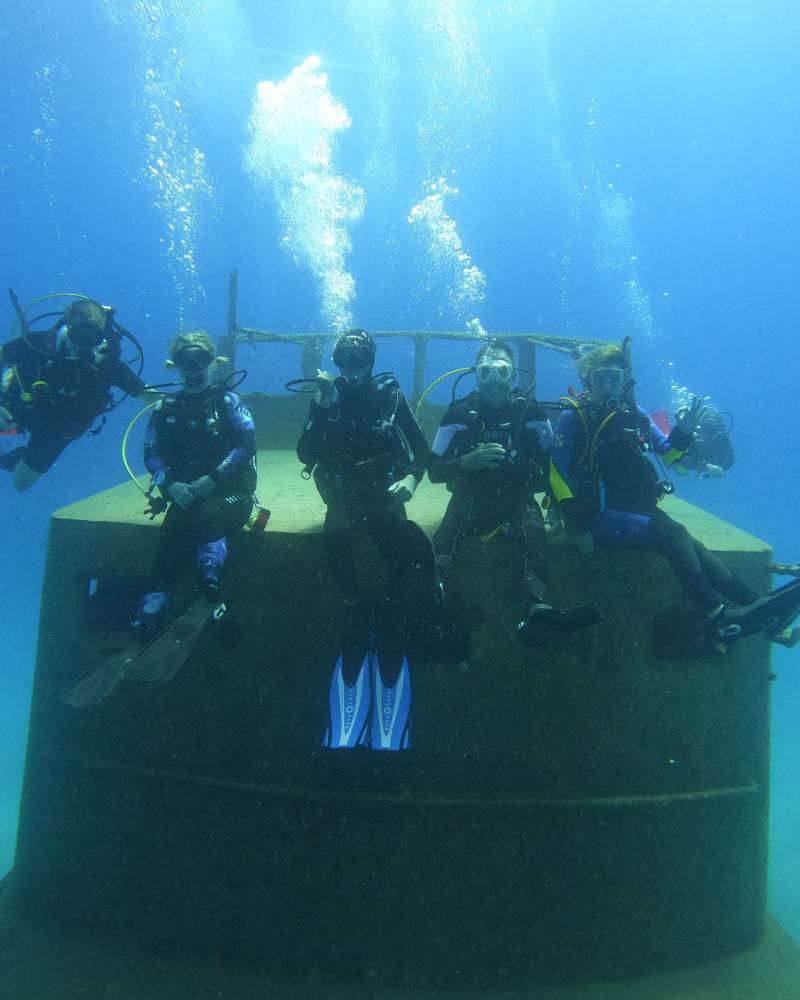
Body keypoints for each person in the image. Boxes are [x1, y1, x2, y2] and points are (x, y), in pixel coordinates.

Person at [549, 340, 800, 643]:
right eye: (599, 379)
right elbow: (556, 471)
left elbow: (669, 454)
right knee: (675, 534)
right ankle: (718, 618)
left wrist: (684, 430)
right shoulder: (575, 416)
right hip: (598, 515)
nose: (606, 387)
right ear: (588, 381)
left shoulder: (636, 413)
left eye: (613, 379)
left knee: (697, 549)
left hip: (637, 509)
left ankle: (762, 612)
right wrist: (578, 524)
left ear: (625, 381)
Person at [61, 331, 258, 709]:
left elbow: (246, 444)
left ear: (213, 363)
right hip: (186, 498)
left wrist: (212, 479)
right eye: (185, 362)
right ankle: (143, 626)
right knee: (170, 541)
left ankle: (210, 590)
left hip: (232, 497)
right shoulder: (165, 408)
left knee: (206, 513)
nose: (193, 369)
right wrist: (170, 485)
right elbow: (151, 454)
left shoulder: (228, 402)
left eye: (200, 360)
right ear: (175, 367)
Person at [297, 327, 431, 751]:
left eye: (359, 360)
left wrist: (411, 479)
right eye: (344, 361)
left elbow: (421, 449)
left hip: (384, 492)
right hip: (343, 494)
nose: (352, 369)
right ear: (337, 362)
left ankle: (390, 609)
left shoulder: (389, 396)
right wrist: (321, 409)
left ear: (371, 360)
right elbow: (305, 454)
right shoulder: (327, 397)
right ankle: (357, 606)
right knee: (336, 533)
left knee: (399, 543)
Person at [427, 338, 601, 643]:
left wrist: (557, 510)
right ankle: (433, 592)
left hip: (517, 495)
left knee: (534, 533)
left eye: (502, 371)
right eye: (486, 372)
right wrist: (466, 462)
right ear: (476, 375)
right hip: (470, 494)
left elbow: (550, 467)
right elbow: (433, 471)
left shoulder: (531, 413)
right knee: (448, 529)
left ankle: (537, 606)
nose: (494, 381)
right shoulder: (458, 413)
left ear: (513, 375)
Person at [0, 296, 146, 490]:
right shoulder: (38, 344)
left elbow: (150, 396)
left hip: (55, 434)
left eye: (93, 336)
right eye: (79, 334)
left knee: (21, 484)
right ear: (68, 327)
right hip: (19, 409)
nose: (85, 343)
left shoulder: (108, 366)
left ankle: (8, 460)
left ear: (102, 336)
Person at [673, 406, 734, 479]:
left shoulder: (722, 438)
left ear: (719, 429)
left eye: (713, 429)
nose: (709, 434)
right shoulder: (693, 434)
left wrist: (721, 469)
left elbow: (729, 459)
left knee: (682, 471)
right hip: (684, 461)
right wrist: (706, 466)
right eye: (707, 428)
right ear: (700, 426)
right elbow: (680, 459)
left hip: (702, 463)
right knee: (681, 470)